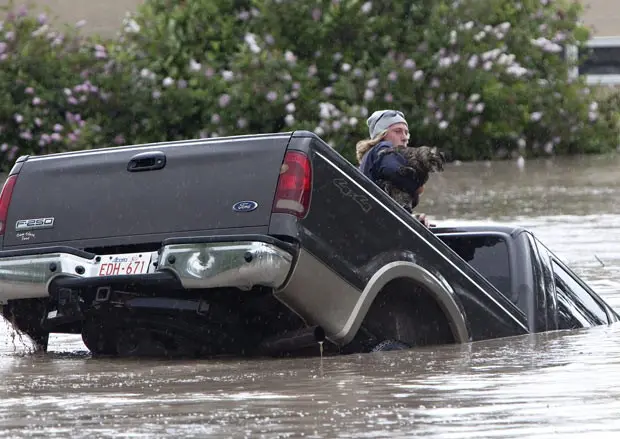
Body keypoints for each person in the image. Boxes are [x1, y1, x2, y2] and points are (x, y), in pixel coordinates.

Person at [356, 109, 430, 226]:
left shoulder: (374, 160)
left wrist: (414, 219)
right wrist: (417, 183)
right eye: (398, 131)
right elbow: (395, 171)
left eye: (406, 132)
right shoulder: (383, 147)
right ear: (382, 135)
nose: (405, 137)